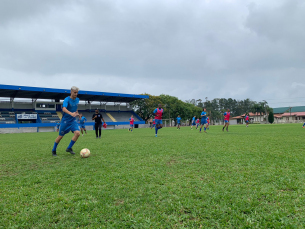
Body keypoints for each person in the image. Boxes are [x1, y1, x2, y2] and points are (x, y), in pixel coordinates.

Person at [52, 86, 81, 157]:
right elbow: (64, 109)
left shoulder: (77, 99)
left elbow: (75, 108)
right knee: (60, 136)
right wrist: (71, 113)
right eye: (74, 92)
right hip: (65, 121)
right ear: (71, 92)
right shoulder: (67, 99)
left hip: (73, 120)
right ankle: (54, 150)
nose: (76, 94)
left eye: (77, 93)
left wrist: (77, 113)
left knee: (77, 133)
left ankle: (69, 148)